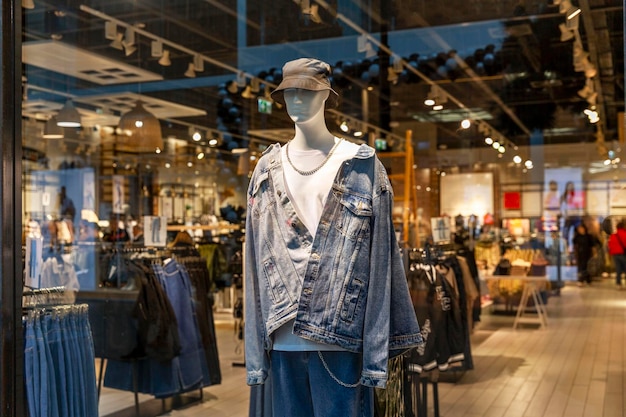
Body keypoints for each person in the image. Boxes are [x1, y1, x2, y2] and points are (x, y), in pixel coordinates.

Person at [244, 58, 422, 417]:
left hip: (342, 345)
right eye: (289, 91)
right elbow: (253, 264)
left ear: (326, 93)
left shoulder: (362, 167)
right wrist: (255, 357)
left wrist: (375, 359)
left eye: (306, 90)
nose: (295, 99)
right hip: (282, 342)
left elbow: (382, 267)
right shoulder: (265, 170)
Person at [572, 220, 599, 286]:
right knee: (582, 267)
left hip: (587, 253)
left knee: (587, 266)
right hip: (580, 254)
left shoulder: (588, 236)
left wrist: (595, 253)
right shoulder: (577, 237)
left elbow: (592, 245)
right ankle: (582, 279)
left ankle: (586, 279)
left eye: (581, 228)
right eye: (579, 229)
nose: (580, 230)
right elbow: (574, 246)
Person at [607, 220, 626, 289]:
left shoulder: (613, 235)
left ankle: (618, 284)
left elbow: (610, 245)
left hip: (615, 254)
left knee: (618, 269)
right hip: (623, 254)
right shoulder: (624, 233)